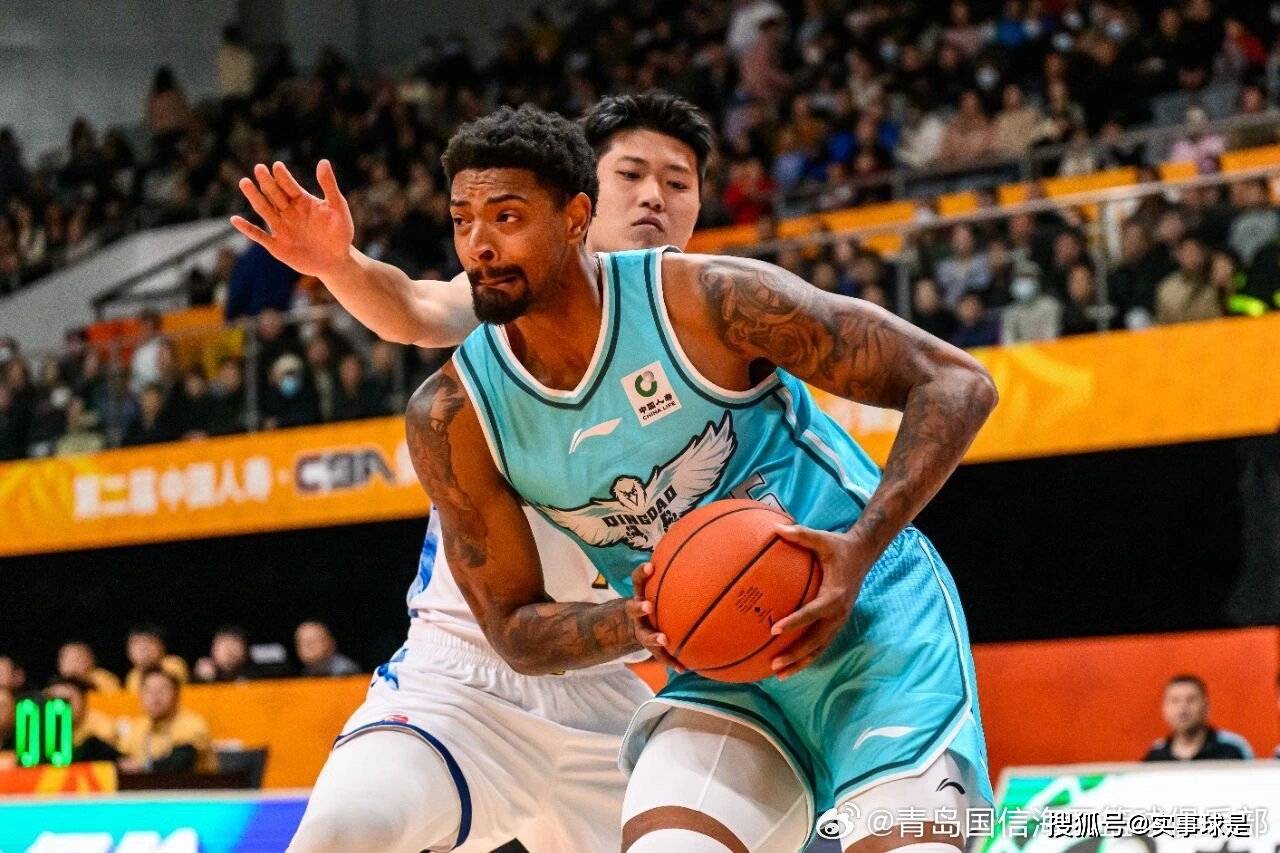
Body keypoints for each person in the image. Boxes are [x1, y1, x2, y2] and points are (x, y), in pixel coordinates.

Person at [409, 105, 994, 851]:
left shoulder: (705, 299)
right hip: (722, 662)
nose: (479, 245)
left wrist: (858, 549)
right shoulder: (453, 414)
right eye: (463, 221)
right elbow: (514, 629)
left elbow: (955, 382)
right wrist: (641, 621)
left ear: (575, 217)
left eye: (507, 217)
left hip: (872, 619)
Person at [233, 93, 709, 852]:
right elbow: (415, 307)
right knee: (339, 834)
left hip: (606, 681)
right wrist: (338, 265)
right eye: (631, 174)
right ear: (580, 201)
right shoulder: (514, 294)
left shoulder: (711, 324)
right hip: (464, 677)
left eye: (677, 182)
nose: (654, 195)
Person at [117, 668, 215, 773]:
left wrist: (144, 766)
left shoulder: (193, 725)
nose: (155, 697)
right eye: (148, 690)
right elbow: (122, 760)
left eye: (162, 690)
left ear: (177, 694)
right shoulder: (137, 727)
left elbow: (180, 762)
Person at [1143, 675, 1253, 761]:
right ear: (1164, 708)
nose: (1182, 707)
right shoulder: (1156, 755)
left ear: (1206, 706)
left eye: (1191, 700)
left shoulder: (1233, 749)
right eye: (1175, 701)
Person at [45, 677, 121, 762]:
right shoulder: (43, 727)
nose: (59, 706)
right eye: (52, 700)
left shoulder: (102, 726)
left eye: (66, 700)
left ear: (83, 701)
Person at [123, 625, 189, 694]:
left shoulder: (173, 665)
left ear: (162, 646)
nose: (143, 648)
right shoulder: (132, 676)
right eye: (136, 643)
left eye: (149, 641)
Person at [193, 626, 264, 683]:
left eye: (235, 645)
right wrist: (201, 679)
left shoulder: (257, 678)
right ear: (212, 649)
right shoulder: (202, 676)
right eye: (223, 645)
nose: (229, 652)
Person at [294, 621, 360, 677]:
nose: (307, 647)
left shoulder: (345, 671)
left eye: (312, 641)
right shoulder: (307, 672)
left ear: (330, 642)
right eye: (301, 642)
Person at [57, 641, 121, 694]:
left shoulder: (102, 680)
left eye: (77, 660)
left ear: (90, 661)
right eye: (68, 660)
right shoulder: (57, 686)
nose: (72, 665)